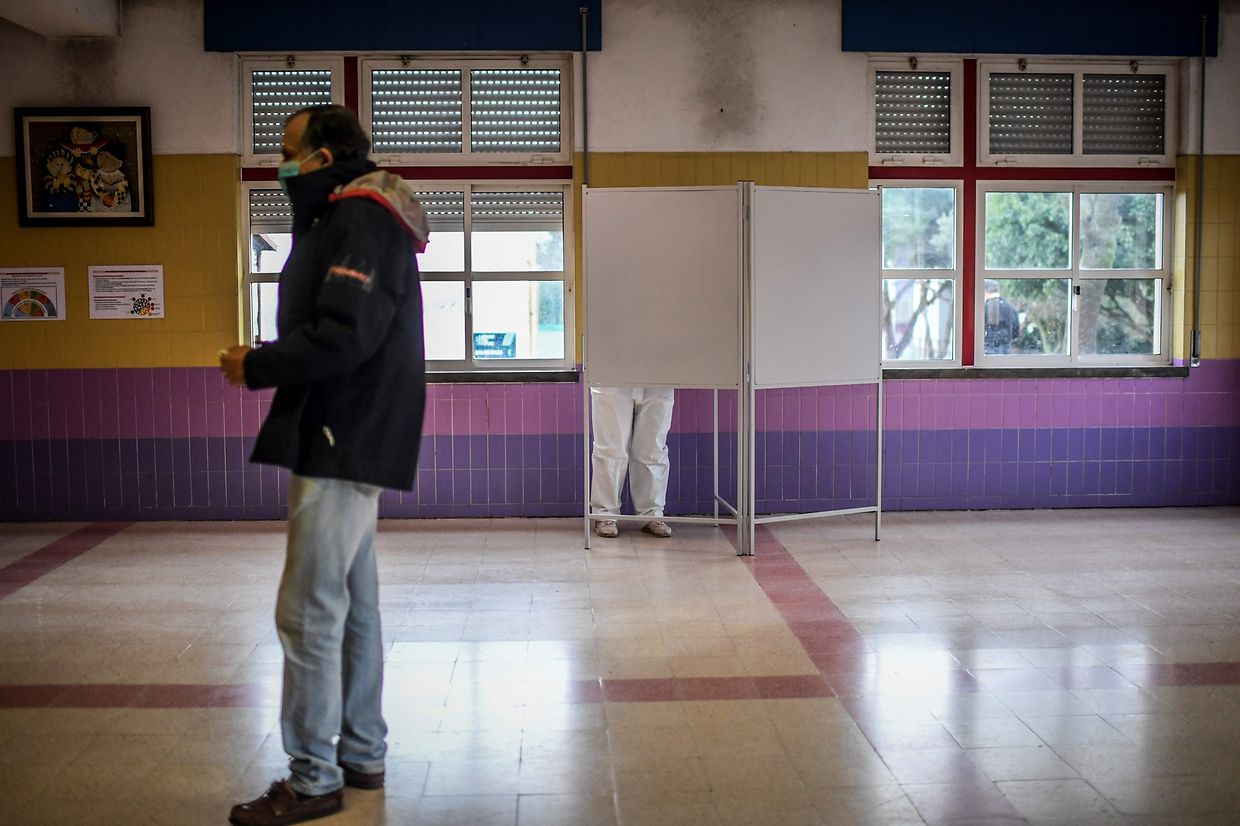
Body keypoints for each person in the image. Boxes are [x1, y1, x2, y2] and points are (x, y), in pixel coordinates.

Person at [219, 104, 429, 826]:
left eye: (289, 152)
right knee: (354, 605)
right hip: (351, 429)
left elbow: (346, 333)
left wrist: (257, 365)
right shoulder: (348, 216)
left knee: (307, 611)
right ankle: (362, 752)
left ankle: (311, 778)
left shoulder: (358, 221)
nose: (281, 165)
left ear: (324, 154)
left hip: (342, 430)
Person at [590, 386, 675, 538]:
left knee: (653, 449)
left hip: (659, 375)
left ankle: (652, 514)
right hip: (611, 376)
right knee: (610, 449)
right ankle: (605, 514)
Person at [983, 278, 1022, 355]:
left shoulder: (982, 309)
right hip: (1006, 355)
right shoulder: (1011, 308)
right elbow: (1016, 332)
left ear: (984, 291)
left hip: (987, 356)